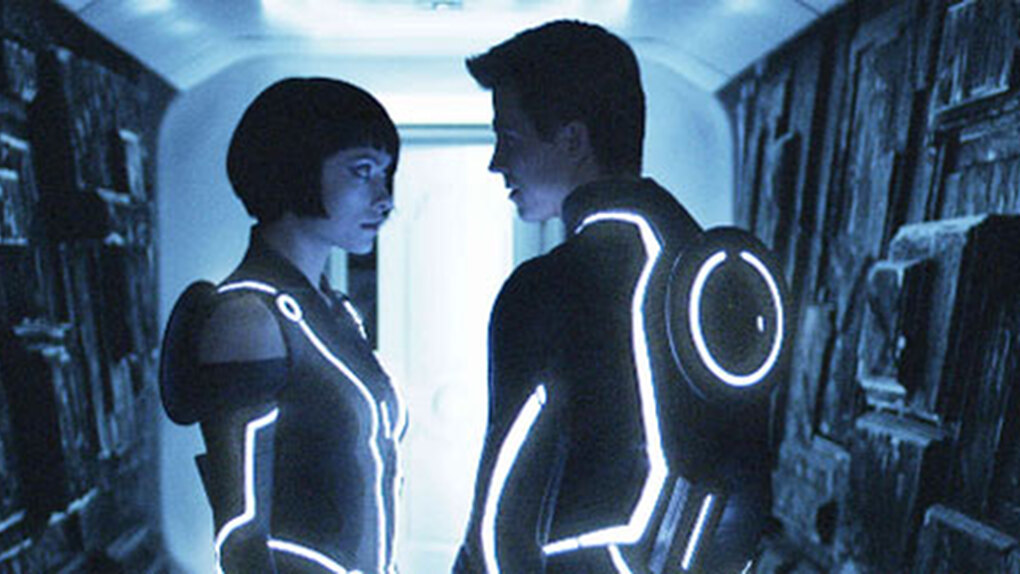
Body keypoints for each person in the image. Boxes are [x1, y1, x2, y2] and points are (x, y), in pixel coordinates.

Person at [453, 21, 773, 574]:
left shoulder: (547, 288)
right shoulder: (727, 278)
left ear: (572, 139)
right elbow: (747, 492)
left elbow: (498, 522)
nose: (497, 162)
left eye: (508, 137)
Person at [159, 77, 406, 574]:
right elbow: (240, 529)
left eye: (386, 174)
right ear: (294, 167)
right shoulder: (248, 318)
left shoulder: (335, 311)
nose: (384, 197)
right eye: (362, 172)